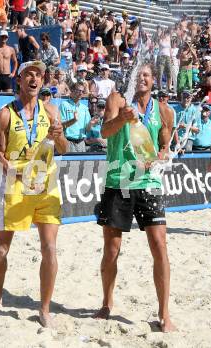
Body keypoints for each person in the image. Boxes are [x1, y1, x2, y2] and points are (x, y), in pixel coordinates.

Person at [0, 60, 68, 328]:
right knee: (1, 248)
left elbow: (63, 149)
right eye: (29, 74)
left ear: (43, 81)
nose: (34, 78)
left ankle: (44, 309)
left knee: (50, 248)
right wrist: (13, 170)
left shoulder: (52, 112)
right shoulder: (4, 115)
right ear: (19, 80)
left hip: (45, 185)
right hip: (14, 185)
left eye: (39, 75)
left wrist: (59, 136)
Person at [95, 62, 176, 333]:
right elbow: (104, 132)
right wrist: (121, 118)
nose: (141, 78)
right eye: (137, 74)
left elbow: (165, 146)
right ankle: (107, 303)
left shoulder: (163, 111)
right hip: (119, 181)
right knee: (112, 249)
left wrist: (160, 157)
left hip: (149, 182)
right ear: (130, 78)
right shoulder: (117, 100)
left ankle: (164, 314)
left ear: (153, 81)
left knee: (159, 245)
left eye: (146, 75)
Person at [60, 81, 91, 152]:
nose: (81, 93)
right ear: (72, 91)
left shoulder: (84, 108)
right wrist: (73, 120)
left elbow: (87, 129)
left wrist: (91, 123)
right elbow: (61, 125)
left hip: (81, 143)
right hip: (69, 142)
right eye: (78, 91)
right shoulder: (64, 105)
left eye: (82, 91)